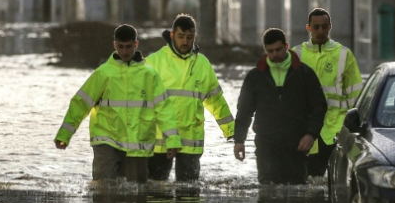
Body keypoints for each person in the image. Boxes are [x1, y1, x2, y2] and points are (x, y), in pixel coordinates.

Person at [54, 24, 182, 183]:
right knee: (104, 188)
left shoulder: (150, 75)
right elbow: (80, 103)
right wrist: (65, 135)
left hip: (138, 143)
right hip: (107, 140)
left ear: (136, 44)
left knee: (137, 194)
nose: (125, 51)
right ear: (115, 45)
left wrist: (172, 140)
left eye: (129, 46)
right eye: (121, 47)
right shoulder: (104, 73)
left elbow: (164, 110)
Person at [145, 13, 235, 182]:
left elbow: (215, 99)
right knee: (156, 194)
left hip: (190, 139)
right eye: (180, 37)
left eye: (189, 37)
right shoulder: (153, 62)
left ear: (195, 36)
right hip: (159, 139)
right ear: (172, 35)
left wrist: (230, 128)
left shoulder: (202, 64)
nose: (185, 42)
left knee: (189, 194)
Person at [233, 28, 327, 184]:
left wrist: (311, 134)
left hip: (297, 144)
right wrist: (239, 141)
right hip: (266, 144)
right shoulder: (255, 77)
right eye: (270, 51)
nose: (275, 54)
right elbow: (244, 112)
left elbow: (319, 107)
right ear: (265, 50)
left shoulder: (304, 74)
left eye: (278, 49)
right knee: (268, 191)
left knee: (296, 192)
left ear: (286, 46)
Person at [293, 8, 363, 177]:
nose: (321, 31)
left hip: (335, 129)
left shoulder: (344, 54)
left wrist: (357, 128)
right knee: (307, 179)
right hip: (305, 129)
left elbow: (356, 95)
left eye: (324, 27)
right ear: (308, 28)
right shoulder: (296, 54)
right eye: (316, 27)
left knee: (335, 181)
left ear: (330, 27)